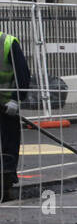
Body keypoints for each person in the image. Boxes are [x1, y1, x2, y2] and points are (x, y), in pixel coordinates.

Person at [0, 30, 31, 202]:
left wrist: (15, 100)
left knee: (8, 144)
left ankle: (5, 184)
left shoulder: (7, 43)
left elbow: (23, 74)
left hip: (6, 107)